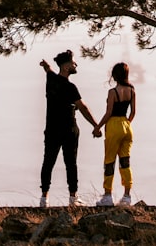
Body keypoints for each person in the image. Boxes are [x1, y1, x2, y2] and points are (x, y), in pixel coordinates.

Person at [38, 50, 101, 208]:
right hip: (68, 129)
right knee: (71, 163)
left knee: (48, 162)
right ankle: (73, 197)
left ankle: (44, 198)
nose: (76, 64)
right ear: (66, 67)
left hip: (51, 129)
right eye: (73, 63)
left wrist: (46, 66)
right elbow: (83, 108)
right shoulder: (70, 87)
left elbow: (49, 71)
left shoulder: (51, 79)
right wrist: (96, 126)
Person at [93, 62, 136, 207]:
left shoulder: (113, 92)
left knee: (109, 161)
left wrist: (97, 127)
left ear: (115, 75)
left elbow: (109, 113)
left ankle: (107, 195)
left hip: (114, 126)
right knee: (125, 161)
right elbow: (133, 112)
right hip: (127, 126)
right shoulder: (132, 90)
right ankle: (127, 196)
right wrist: (126, 123)